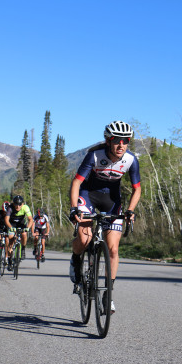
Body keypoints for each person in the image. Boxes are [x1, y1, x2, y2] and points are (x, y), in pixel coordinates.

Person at [69, 120, 141, 314]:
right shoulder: (94, 155)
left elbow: (137, 189)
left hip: (111, 200)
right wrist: (74, 208)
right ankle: (76, 259)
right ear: (108, 141)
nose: (121, 145)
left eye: (125, 141)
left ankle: (108, 295)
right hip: (88, 195)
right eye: (117, 140)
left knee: (113, 249)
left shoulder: (131, 160)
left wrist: (130, 210)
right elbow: (76, 183)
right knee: (84, 239)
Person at [4, 195, 33, 267]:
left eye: (20, 205)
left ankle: (23, 248)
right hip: (12, 224)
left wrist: (28, 228)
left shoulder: (25, 207)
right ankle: (9, 259)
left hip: (21, 224)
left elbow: (30, 219)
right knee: (11, 240)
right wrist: (10, 227)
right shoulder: (10, 208)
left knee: (24, 234)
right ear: (13, 204)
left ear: (22, 204)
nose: (18, 207)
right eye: (16, 204)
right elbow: (6, 220)